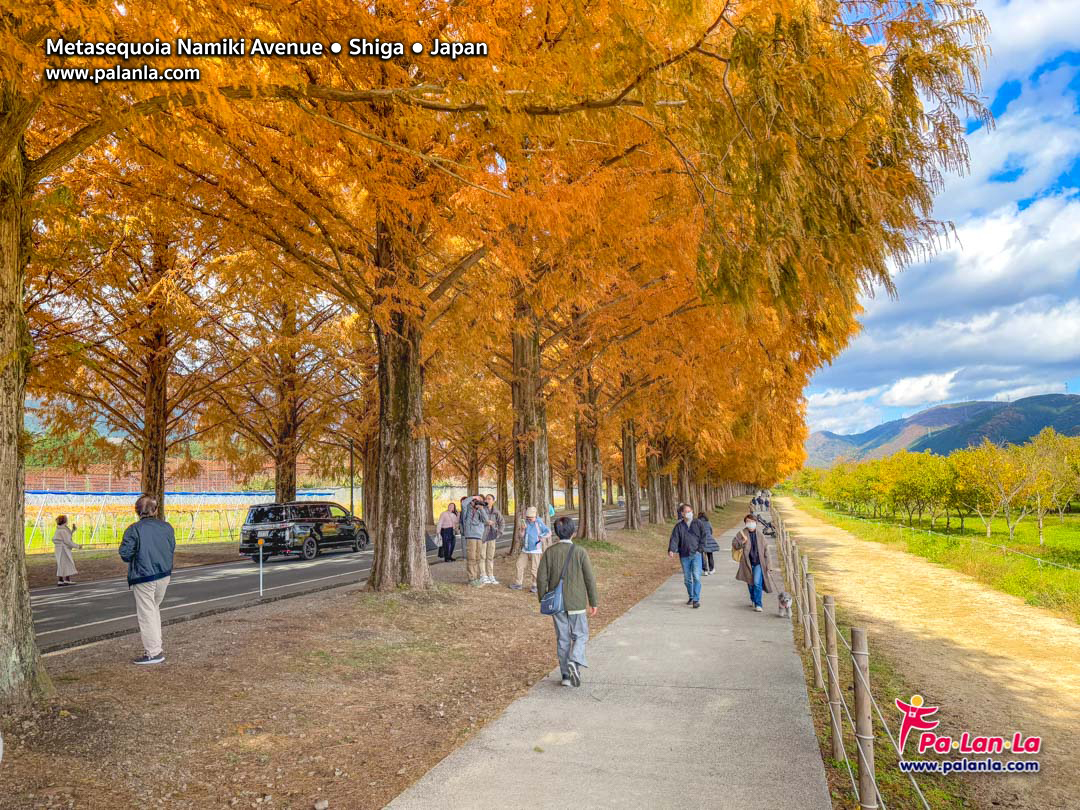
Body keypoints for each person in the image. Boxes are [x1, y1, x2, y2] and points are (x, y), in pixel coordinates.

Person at [536, 516, 599, 687]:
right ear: (573, 532)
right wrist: (593, 601)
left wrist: (543, 599)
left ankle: (565, 675)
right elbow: (589, 579)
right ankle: (575, 660)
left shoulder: (549, 552)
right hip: (577, 601)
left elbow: (541, 579)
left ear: (556, 533)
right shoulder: (580, 552)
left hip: (557, 604)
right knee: (581, 635)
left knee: (563, 638)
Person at [118, 494, 176, 664]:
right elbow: (171, 547)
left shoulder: (133, 530)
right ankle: (155, 646)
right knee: (153, 610)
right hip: (164, 574)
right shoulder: (167, 527)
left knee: (147, 613)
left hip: (143, 575)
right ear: (155, 510)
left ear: (137, 511)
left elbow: (125, 554)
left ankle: (154, 652)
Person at [731, 512, 777, 613]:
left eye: (752, 521)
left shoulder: (760, 535)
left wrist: (769, 565)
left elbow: (766, 550)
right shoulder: (741, 533)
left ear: (755, 523)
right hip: (746, 563)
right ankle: (753, 598)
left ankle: (758, 604)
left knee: (757, 583)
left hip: (758, 563)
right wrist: (742, 542)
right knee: (750, 583)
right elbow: (734, 545)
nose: (750, 523)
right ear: (745, 523)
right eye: (748, 522)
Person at [668, 503, 706, 608]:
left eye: (690, 511)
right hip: (684, 555)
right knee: (687, 579)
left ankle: (696, 600)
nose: (689, 513)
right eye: (687, 512)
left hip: (696, 554)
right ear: (682, 513)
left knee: (696, 576)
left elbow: (704, 537)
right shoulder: (679, 526)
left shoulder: (698, 523)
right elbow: (674, 538)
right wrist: (671, 549)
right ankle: (691, 595)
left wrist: (700, 549)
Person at [510, 505, 551, 592]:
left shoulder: (539, 523)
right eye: (527, 517)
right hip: (525, 549)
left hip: (535, 549)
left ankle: (535, 585)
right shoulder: (525, 522)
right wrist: (523, 530)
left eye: (531, 518)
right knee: (519, 565)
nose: (529, 519)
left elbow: (548, 532)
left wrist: (542, 537)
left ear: (535, 516)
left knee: (534, 568)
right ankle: (518, 584)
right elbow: (521, 536)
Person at [461, 495, 489, 586]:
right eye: (475, 501)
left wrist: (481, 508)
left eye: (479, 501)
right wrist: (474, 497)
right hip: (470, 536)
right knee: (471, 557)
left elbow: (486, 520)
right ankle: (471, 579)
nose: (477, 502)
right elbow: (463, 503)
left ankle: (476, 577)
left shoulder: (480, 511)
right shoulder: (467, 510)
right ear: (472, 502)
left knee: (477, 558)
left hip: (479, 537)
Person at [481, 494, 504, 585]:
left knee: (490, 557)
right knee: (482, 556)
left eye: (489, 499)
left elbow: (501, 522)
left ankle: (490, 575)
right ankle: (483, 575)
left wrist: (499, 533)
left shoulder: (496, 511)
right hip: (483, 536)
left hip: (492, 536)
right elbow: (478, 521)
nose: (487, 500)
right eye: (486, 499)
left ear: (493, 501)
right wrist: (486, 523)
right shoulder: (482, 509)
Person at [52, 515, 81, 586]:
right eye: (66, 519)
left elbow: (67, 537)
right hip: (63, 549)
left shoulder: (61, 529)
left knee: (65, 563)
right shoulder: (62, 530)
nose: (67, 520)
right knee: (62, 564)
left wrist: (73, 530)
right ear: (64, 521)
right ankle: (61, 580)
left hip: (62, 549)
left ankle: (66, 579)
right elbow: (67, 541)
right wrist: (77, 546)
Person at [698, 511, 719, 575]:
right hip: (709, 540)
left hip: (701, 541)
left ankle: (705, 570)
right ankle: (711, 569)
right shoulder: (708, 522)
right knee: (710, 555)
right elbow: (711, 530)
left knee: (702, 556)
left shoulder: (698, 523)